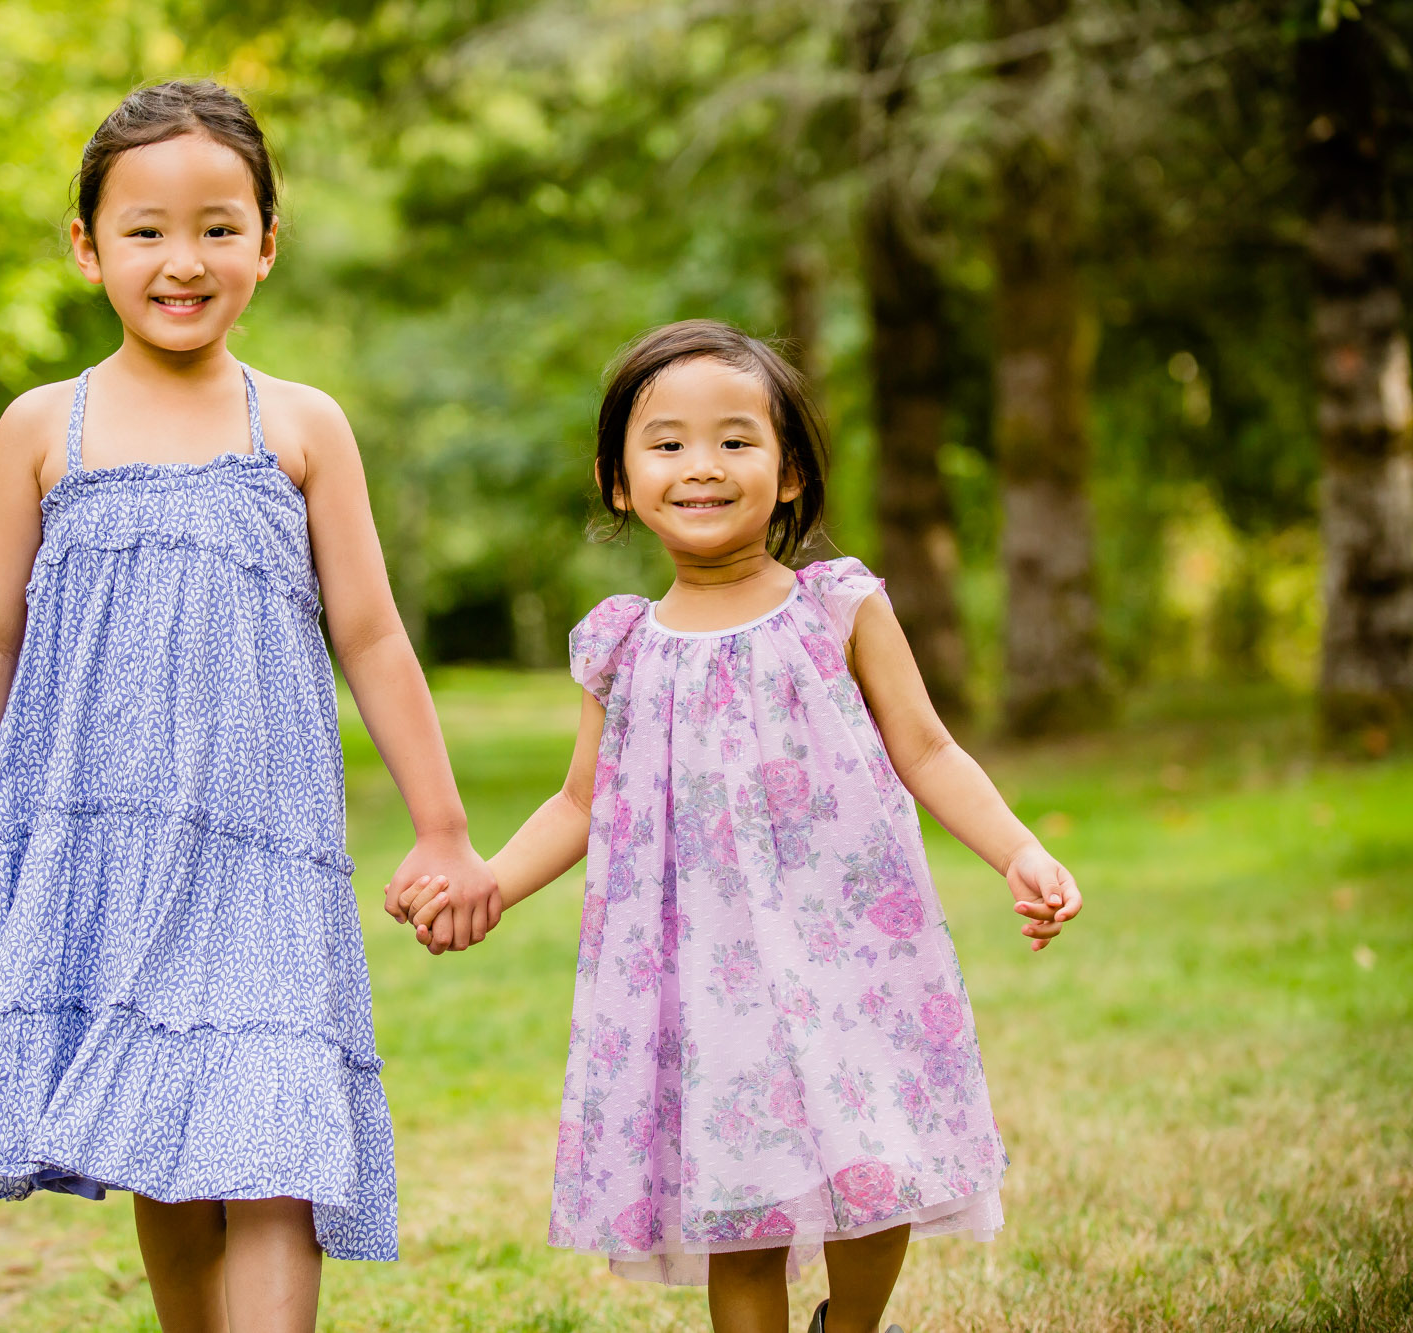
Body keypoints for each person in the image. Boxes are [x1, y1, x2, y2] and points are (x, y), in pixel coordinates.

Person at [0, 80, 499, 1333]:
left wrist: (443, 828)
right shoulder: (46, 427)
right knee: (163, 1130)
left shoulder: (299, 426)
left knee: (269, 1141)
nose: (182, 259)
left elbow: (369, 631)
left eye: (217, 226)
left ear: (266, 243)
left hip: (260, 846)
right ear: (87, 248)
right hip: (102, 842)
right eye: (145, 229)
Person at [389, 320, 1081, 1333]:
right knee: (737, 1194)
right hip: (698, 973)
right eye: (664, 444)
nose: (700, 466)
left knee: (870, 1153)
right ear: (617, 480)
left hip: (841, 952)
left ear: (789, 471)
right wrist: (488, 878)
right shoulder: (620, 646)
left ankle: (846, 1324)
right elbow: (581, 801)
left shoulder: (836, 609)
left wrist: (1019, 848)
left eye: (734, 440)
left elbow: (926, 749)